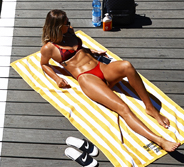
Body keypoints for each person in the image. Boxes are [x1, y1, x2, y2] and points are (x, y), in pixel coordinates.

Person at [40, 10, 180, 153]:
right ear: (57, 27)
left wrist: (91, 51)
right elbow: (44, 64)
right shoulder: (48, 48)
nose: (70, 25)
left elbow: (79, 49)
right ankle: (161, 141)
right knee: (123, 109)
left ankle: (150, 108)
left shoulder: (69, 31)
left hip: (101, 67)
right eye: (66, 23)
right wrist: (57, 79)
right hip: (87, 78)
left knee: (127, 66)